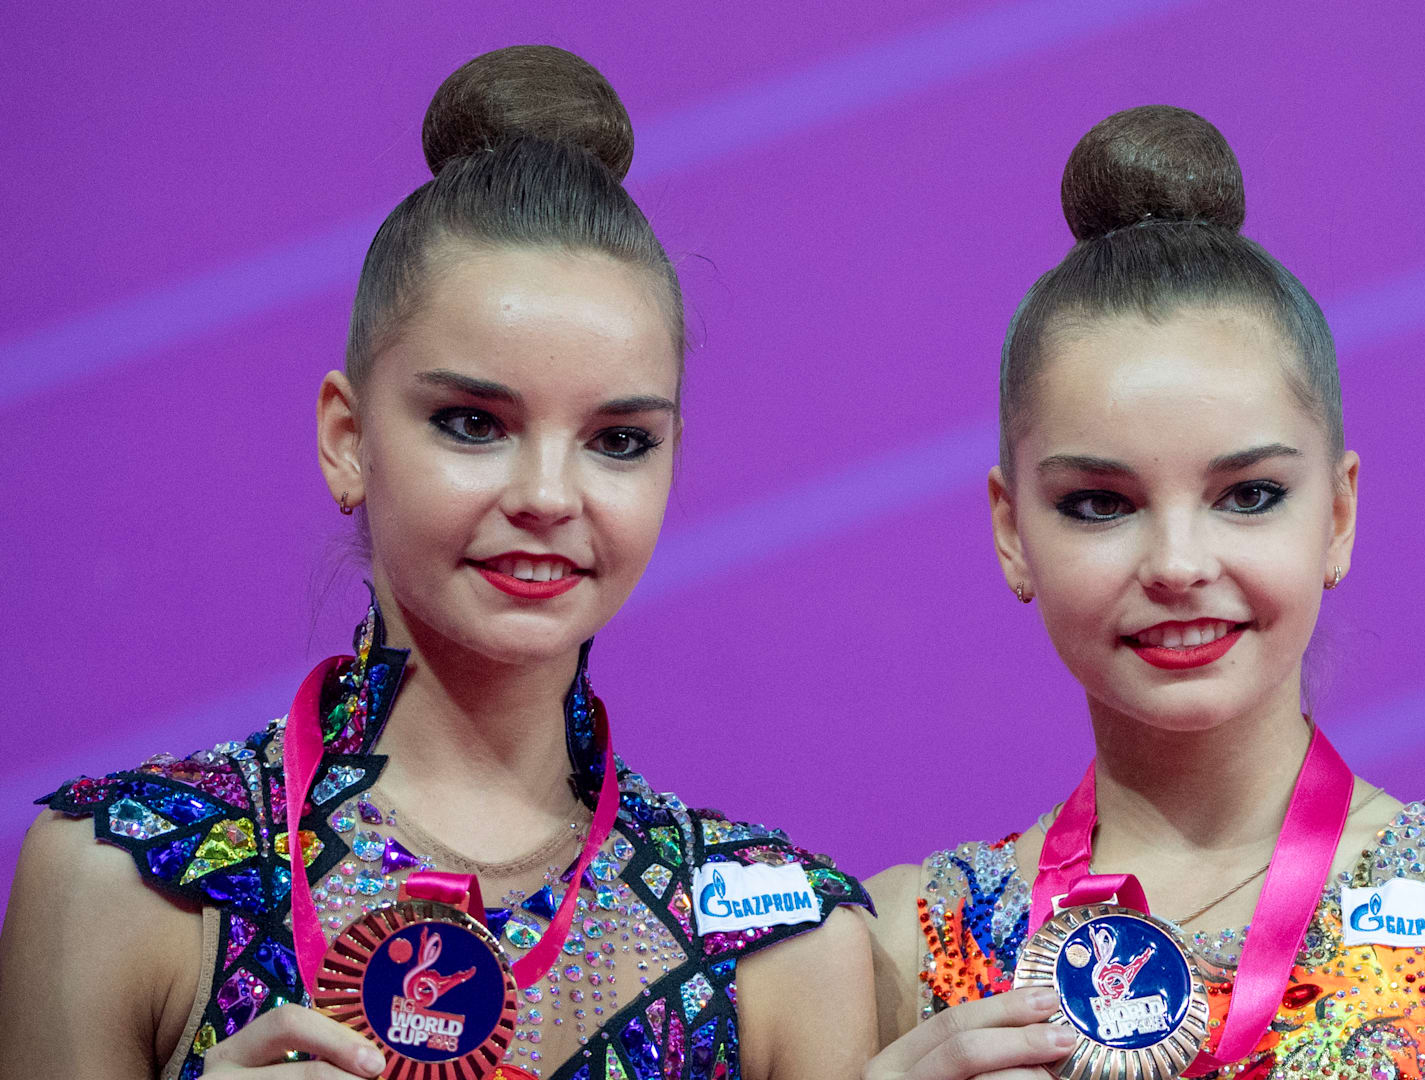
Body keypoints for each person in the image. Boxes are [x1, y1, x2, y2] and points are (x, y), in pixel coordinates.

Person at [0, 46, 873, 1080]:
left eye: (618, 440)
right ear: (347, 438)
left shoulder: (784, 942)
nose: (548, 495)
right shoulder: (123, 875)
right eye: (473, 422)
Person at [863, 106, 1425, 1080]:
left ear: (1338, 515)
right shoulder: (899, 947)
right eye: (1100, 503)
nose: (1178, 564)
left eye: (1248, 495)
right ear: (1009, 531)